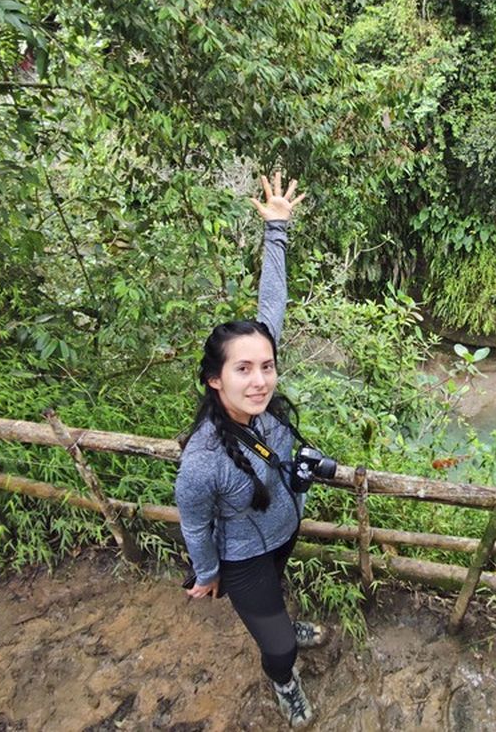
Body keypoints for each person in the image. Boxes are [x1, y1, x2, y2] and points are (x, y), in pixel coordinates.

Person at [175, 172, 325, 729]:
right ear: (215, 380)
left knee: (277, 597)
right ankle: (284, 679)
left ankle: (282, 626)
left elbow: (273, 300)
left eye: (266, 366)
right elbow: (193, 522)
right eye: (243, 369)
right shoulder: (204, 459)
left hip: (283, 532)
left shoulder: (262, 406)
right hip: (241, 559)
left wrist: (278, 229)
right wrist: (208, 572)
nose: (260, 379)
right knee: (278, 645)